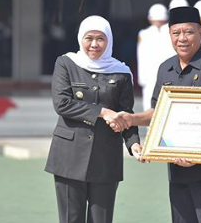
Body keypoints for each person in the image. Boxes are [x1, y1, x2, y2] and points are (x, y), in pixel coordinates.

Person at [116, 6, 201, 223]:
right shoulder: (166, 68)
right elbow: (158, 113)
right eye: (176, 33)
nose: (182, 38)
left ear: (200, 33)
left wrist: (193, 153)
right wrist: (132, 119)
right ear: (169, 35)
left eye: (189, 32)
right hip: (178, 167)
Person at [44, 15, 141, 223]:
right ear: (81, 39)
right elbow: (62, 104)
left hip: (105, 157)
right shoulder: (67, 63)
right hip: (69, 156)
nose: (94, 44)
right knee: (71, 218)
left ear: (109, 41)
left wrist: (134, 144)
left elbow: (126, 113)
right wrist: (103, 112)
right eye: (89, 38)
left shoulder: (121, 72)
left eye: (101, 39)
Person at [137, 3, 174, 111]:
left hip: (167, 72)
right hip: (150, 74)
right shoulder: (144, 34)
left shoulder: (170, 32)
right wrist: (142, 77)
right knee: (149, 104)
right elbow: (141, 56)